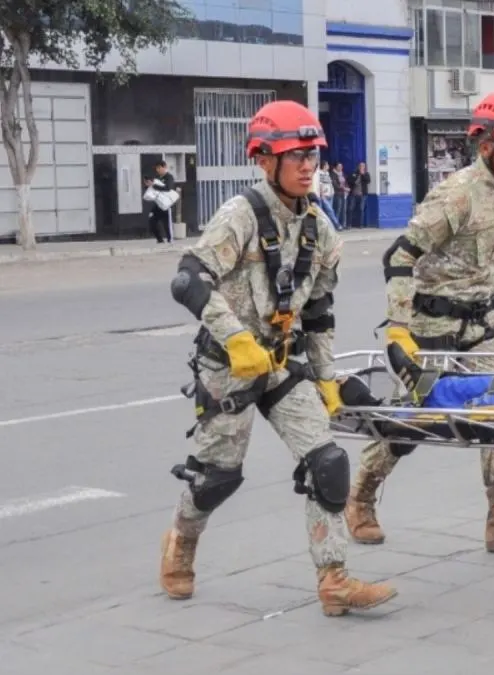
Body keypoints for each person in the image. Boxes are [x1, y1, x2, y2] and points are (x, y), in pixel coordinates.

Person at [159, 100, 396, 616]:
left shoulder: (321, 227)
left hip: (282, 365)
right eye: (296, 155)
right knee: (217, 477)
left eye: (312, 153)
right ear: (265, 160)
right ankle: (181, 541)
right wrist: (235, 339)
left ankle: (334, 581)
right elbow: (188, 278)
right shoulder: (240, 215)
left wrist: (327, 378)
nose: (308, 164)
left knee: (328, 462)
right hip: (229, 366)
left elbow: (319, 313)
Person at [346, 92, 494, 553]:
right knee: (415, 423)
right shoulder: (456, 195)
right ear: (484, 146)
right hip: (429, 325)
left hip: (480, 324)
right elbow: (398, 256)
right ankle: (360, 499)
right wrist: (398, 330)